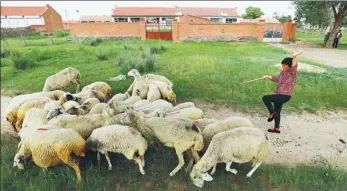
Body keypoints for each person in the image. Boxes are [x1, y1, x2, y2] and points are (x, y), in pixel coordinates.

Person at [261, 50, 302, 133]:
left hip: (284, 95)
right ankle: (276, 129)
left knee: (265, 98)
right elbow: (277, 78)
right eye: (282, 65)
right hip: (279, 94)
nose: (283, 66)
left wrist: (294, 56)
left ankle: (272, 113)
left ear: (290, 66)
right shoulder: (283, 73)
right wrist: (267, 76)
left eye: (285, 65)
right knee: (277, 111)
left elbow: (294, 65)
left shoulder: (292, 73)